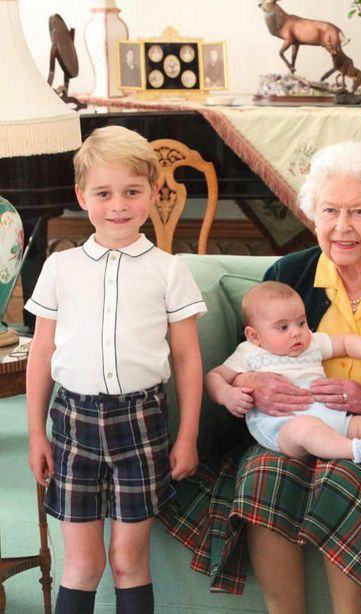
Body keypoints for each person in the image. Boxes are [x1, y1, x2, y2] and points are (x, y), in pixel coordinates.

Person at [162, 141, 361, 613]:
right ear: (313, 215)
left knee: (344, 476)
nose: (343, 226)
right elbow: (245, 362)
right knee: (262, 473)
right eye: (330, 210)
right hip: (286, 431)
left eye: (359, 211)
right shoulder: (288, 276)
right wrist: (253, 388)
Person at [24, 125, 206, 614]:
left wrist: (186, 435)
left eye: (132, 191)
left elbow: (188, 359)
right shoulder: (61, 268)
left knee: (128, 561)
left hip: (141, 424)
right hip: (72, 425)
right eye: (104, 193)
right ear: (83, 196)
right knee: (82, 564)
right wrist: (36, 434)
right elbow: (41, 354)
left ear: (153, 191)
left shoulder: (170, 270)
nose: (118, 205)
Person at [205, 281, 361, 498]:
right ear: (254, 336)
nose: (296, 333)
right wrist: (227, 394)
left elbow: (346, 342)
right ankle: (357, 450)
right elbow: (215, 376)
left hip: (333, 418)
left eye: (301, 322)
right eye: (283, 327)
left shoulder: (312, 344)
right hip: (284, 428)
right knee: (307, 428)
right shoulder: (249, 352)